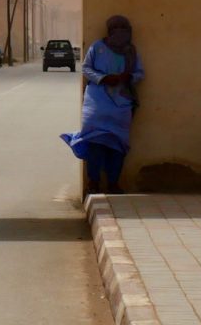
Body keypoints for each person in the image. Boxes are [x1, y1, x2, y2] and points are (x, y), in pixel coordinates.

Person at [62, 14, 144, 195]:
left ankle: (113, 183)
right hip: (96, 104)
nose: (121, 35)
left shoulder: (131, 51)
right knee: (95, 144)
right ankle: (94, 182)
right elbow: (86, 68)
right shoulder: (97, 47)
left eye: (125, 31)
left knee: (118, 146)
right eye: (117, 30)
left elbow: (139, 73)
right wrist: (104, 78)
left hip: (121, 105)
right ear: (109, 32)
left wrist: (127, 77)